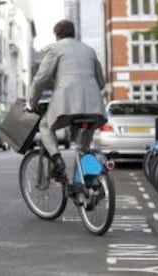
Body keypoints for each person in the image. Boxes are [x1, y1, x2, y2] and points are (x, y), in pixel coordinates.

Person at [30, 20, 106, 179]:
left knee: (45, 126)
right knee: (83, 148)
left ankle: (57, 161)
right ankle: (91, 186)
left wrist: (33, 103)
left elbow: (40, 79)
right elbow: (101, 82)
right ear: (74, 34)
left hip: (67, 106)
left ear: (57, 35)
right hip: (94, 107)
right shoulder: (89, 51)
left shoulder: (55, 49)